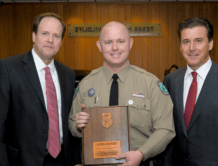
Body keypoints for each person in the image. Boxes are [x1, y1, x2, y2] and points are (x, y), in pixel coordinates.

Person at [68, 21, 175, 166]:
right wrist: (79, 126)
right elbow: (72, 125)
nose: (115, 47)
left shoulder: (150, 83)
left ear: (130, 43)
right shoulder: (85, 84)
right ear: (99, 46)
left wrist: (141, 154)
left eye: (120, 41)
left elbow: (166, 129)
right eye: (108, 42)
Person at [0, 13, 81, 166]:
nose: (50, 40)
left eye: (56, 35)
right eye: (45, 33)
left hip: (63, 160)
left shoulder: (68, 74)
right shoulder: (8, 69)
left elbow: (67, 122)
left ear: (61, 42)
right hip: (22, 161)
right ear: (34, 36)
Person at [163, 18, 218, 166]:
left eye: (198, 41)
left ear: (210, 44)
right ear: (180, 46)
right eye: (186, 42)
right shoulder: (171, 81)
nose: (192, 48)